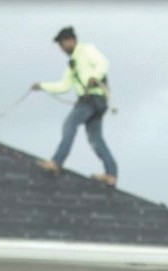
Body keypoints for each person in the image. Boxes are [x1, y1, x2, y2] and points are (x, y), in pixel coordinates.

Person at [33, 26, 118, 187]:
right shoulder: (72, 63)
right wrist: (42, 86)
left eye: (61, 45)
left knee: (70, 123)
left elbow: (102, 63)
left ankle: (57, 161)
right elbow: (64, 85)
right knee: (95, 138)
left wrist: (94, 76)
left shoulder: (87, 50)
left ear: (70, 40)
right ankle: (111, 174)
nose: (61, 49)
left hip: (93, 98)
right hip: (94, 101)